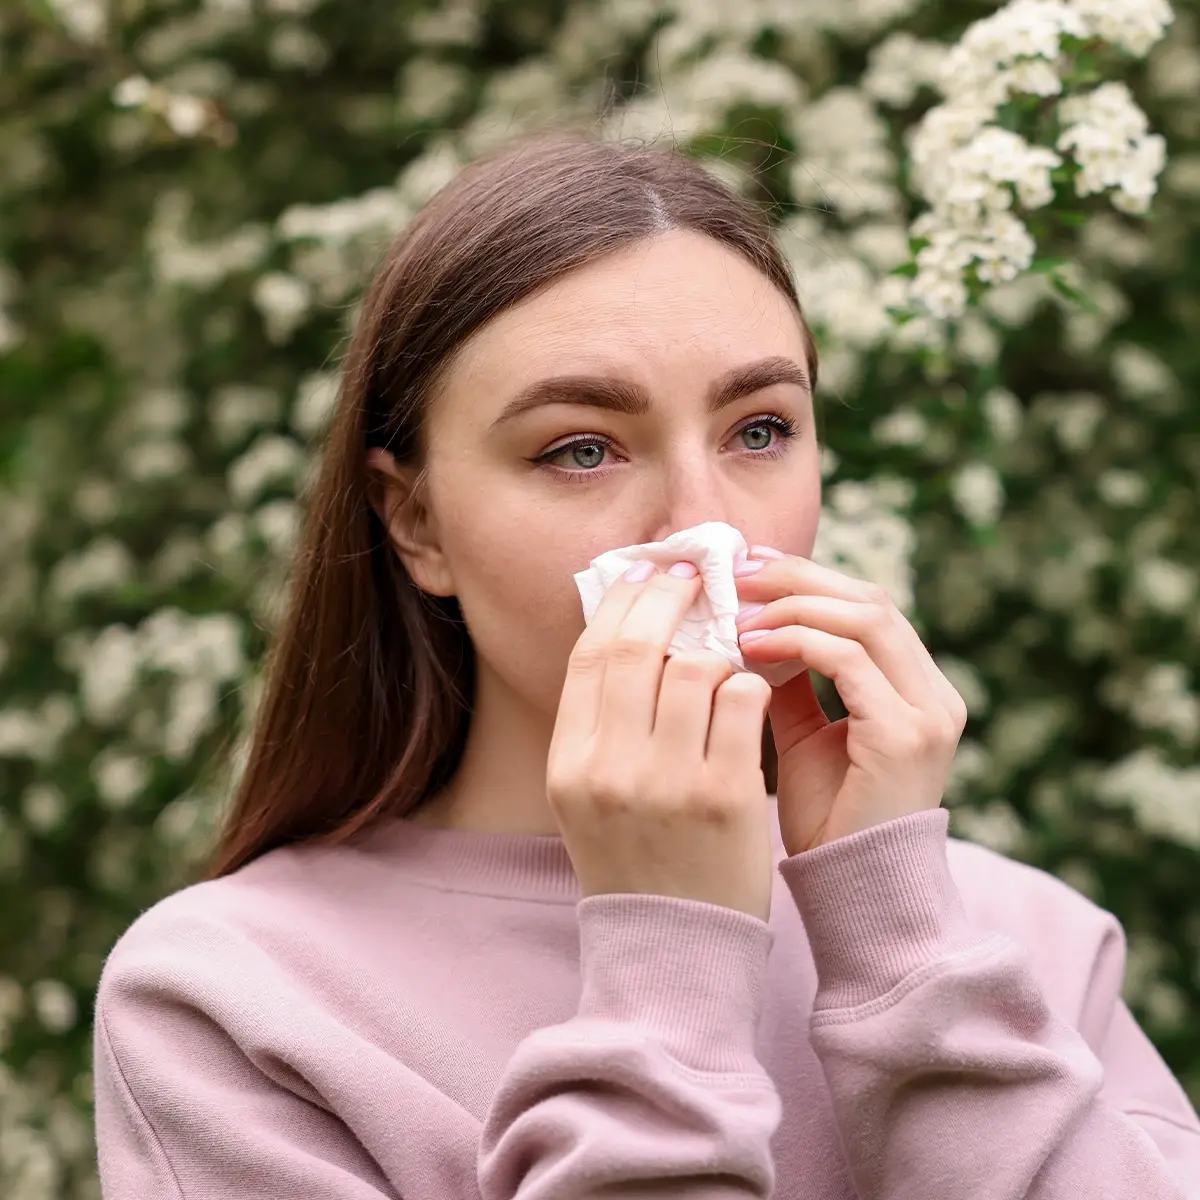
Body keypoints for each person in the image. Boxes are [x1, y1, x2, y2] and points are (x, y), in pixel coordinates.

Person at [91, 130, 1200, 1200]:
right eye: (581, 449)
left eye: (760, 431)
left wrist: (900, 946)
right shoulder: (236, 1001)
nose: (702, 526)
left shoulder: (1021, 945)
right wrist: (666, 969)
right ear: (417, 521)